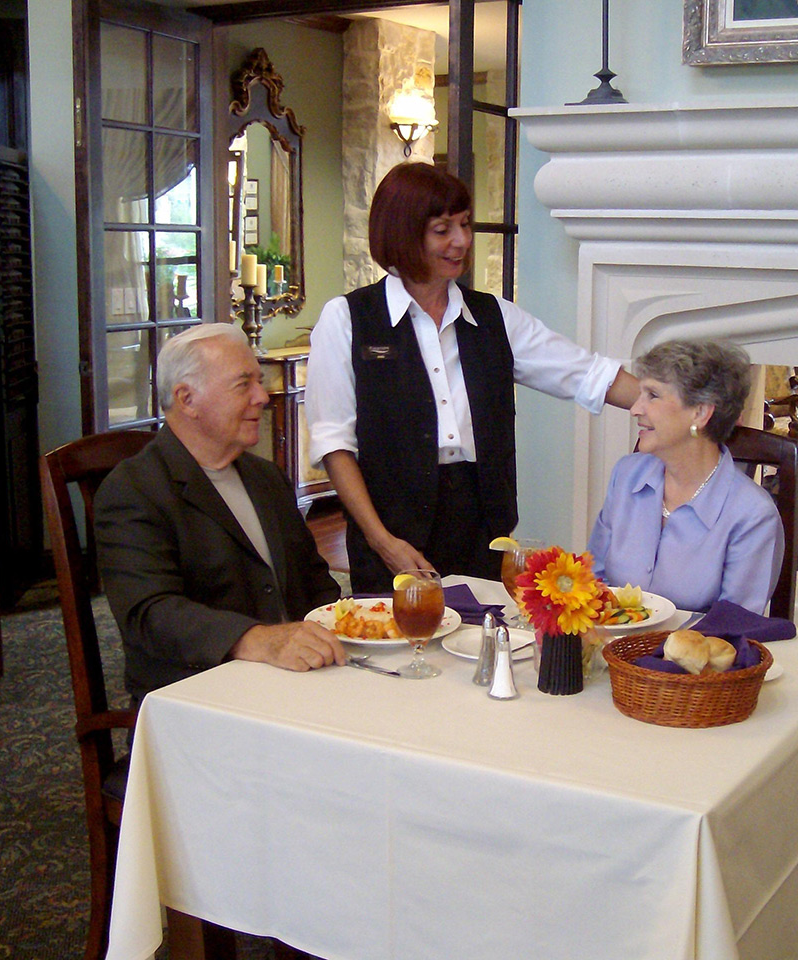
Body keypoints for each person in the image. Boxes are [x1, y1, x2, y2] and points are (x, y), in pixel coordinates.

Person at [306, 161, 639, 593]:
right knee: (398, 653)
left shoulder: (493, 316)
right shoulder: (348, 319)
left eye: (464, 225)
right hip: (391, 526)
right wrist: (381, 540)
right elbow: (335, 444)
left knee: (482, 638)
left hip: (482, 523)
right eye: (442, 230)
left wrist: (671, 406)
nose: (461, 241)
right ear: (403, 233)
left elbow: (585, 373)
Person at [95, 323, 345, 709]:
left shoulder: (266, 478)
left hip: (300, 685)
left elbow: (314, 581)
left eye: (258, 382)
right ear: (187, 399)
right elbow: (150, 613)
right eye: (243, 384)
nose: (262, 396)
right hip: (200, 698)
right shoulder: (134, 490)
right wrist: (259, 639)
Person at [587, 339, 783, 614]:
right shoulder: (627, 475)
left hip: (693, 655)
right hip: (610, 648)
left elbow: (735, 628)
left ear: (700, 413)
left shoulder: (753, 515)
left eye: (652, 395)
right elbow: (593, 581)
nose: (635, 409)